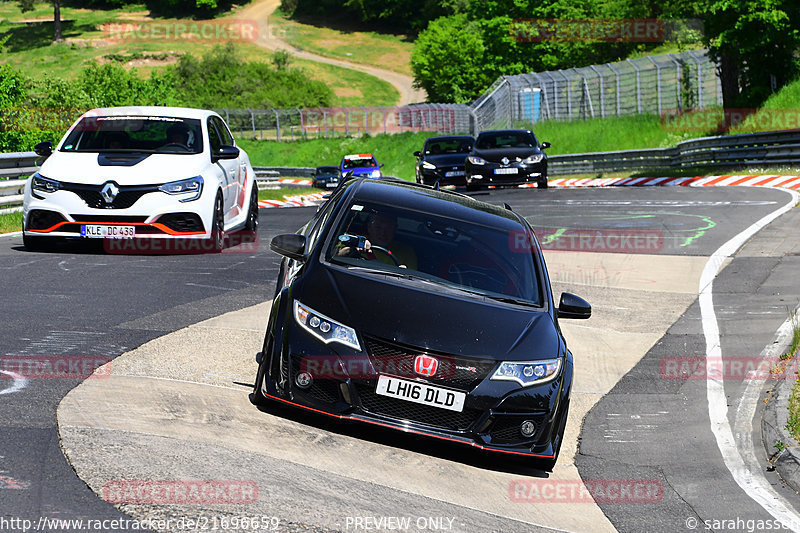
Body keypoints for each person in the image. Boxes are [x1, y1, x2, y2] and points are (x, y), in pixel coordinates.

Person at [338, 212, 417, 270]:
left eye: (388, 228)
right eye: (378, 227)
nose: (383, 233)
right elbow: (334, 256)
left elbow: (412, 279)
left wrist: (403, 273)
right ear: (369, 227)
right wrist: (351, 250)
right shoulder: (357, 240)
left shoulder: (406, 251)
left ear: (395, 229)